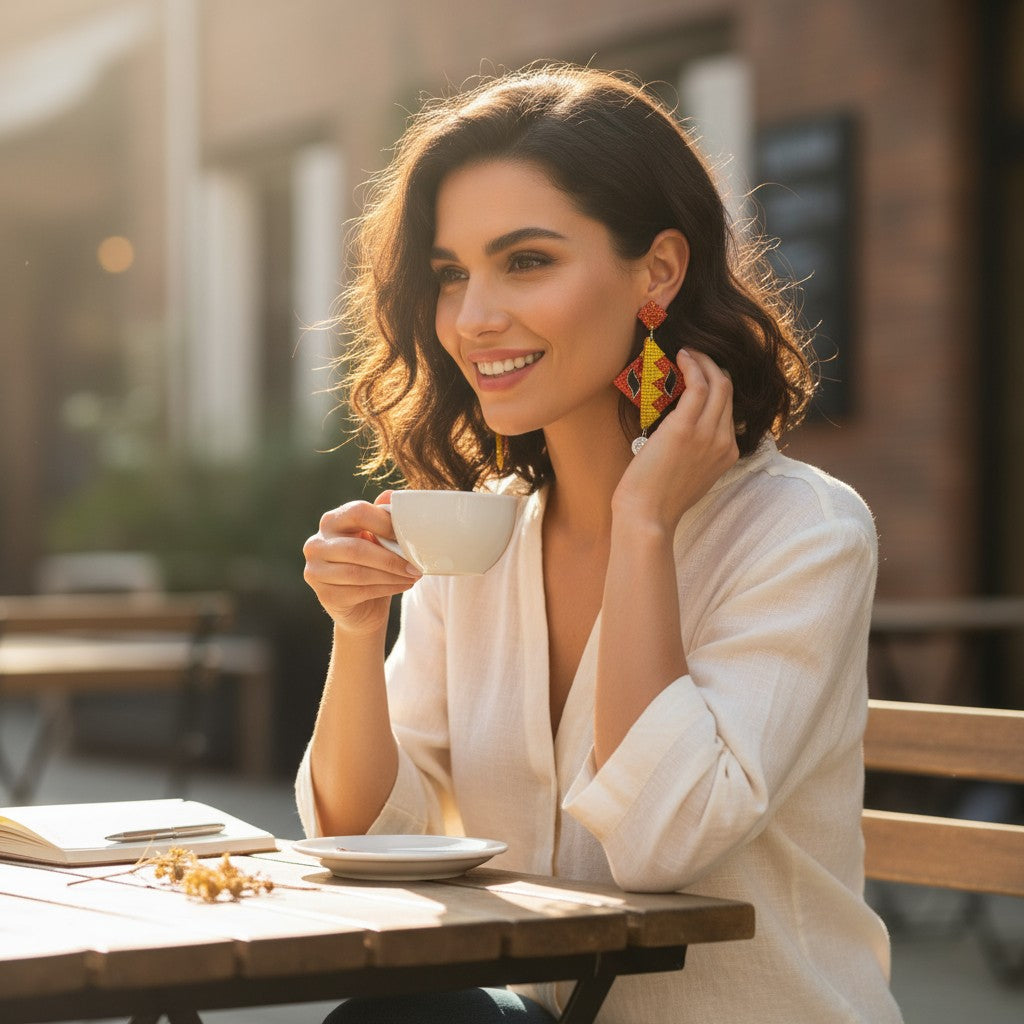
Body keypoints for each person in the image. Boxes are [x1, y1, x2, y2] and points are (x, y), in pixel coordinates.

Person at [297, 63, 903, 1023]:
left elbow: (665, 845)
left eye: (526, 261)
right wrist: (357, 632)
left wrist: (644, 524)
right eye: (452, 274)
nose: (474, 317)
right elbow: (363, 832)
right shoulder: (481, 531)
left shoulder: (801, 531)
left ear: (657, 270)